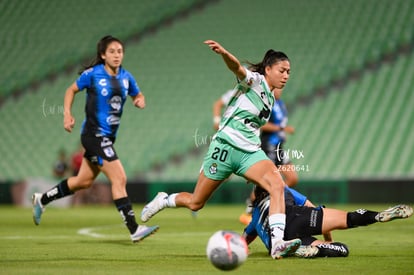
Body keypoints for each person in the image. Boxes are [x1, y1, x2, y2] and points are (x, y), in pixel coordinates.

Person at [140, 39, 301, 259]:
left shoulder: (271, 98)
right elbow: (236, 67)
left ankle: (278, 243)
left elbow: (253, 128)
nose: (286, 75)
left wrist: (254, 166)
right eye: (282, 70)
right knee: (196, 202)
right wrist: (225, 53)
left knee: (277, 184)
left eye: (289, 72)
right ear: (268, 69)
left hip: (249, 153)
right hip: (224, 147)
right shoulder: (254, 81)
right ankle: (164, 200)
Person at [32, 35, 159, 243]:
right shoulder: (93, 74)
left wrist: (139, 100)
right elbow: (70, 90)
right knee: (119, 178)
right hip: (94, 135)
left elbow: (138, 94)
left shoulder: (127, 77)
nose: (117, 55)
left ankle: (42, 199)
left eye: (120, 51)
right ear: (103, 55)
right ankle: (134, 229)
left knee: (83, 181)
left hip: (107, 137)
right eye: (112, 51)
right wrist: (67, 114)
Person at [243, 186, 413, 258]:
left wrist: (245, 249)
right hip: (297, 216)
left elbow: (243, 241)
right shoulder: (283, 189)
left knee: (337, 248)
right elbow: (313, 208)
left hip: (282, 242)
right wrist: (327, 237)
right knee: (348, 220)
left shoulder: (255, 215)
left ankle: (311, 250)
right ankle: (378, 216)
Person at [240, 87, 298, 225]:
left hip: (279, 147)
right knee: (265, 182)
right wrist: (281, 129)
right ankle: (250, 210)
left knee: (292, 178)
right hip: (269, 146)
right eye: (278, 88)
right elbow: (262, 124)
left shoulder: (281, 104)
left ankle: (271, 201)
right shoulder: (268, 103)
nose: (280, 90)